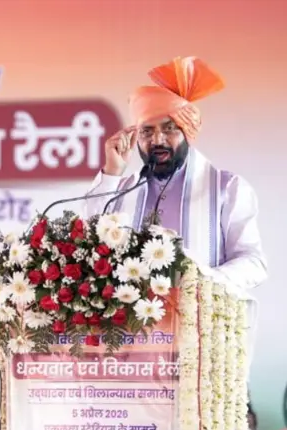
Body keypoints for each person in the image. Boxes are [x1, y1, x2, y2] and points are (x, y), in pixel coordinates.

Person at [83, 56, 267, 291]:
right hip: (129, 325)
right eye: (147, 131)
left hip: (199, 323)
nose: (157, 140)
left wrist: (203, 279)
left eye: (169, 129)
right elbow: (87, 242)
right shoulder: (120, 189)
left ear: (187, 132)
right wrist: (112, 172)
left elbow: (254, 263)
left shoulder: (227, 189)